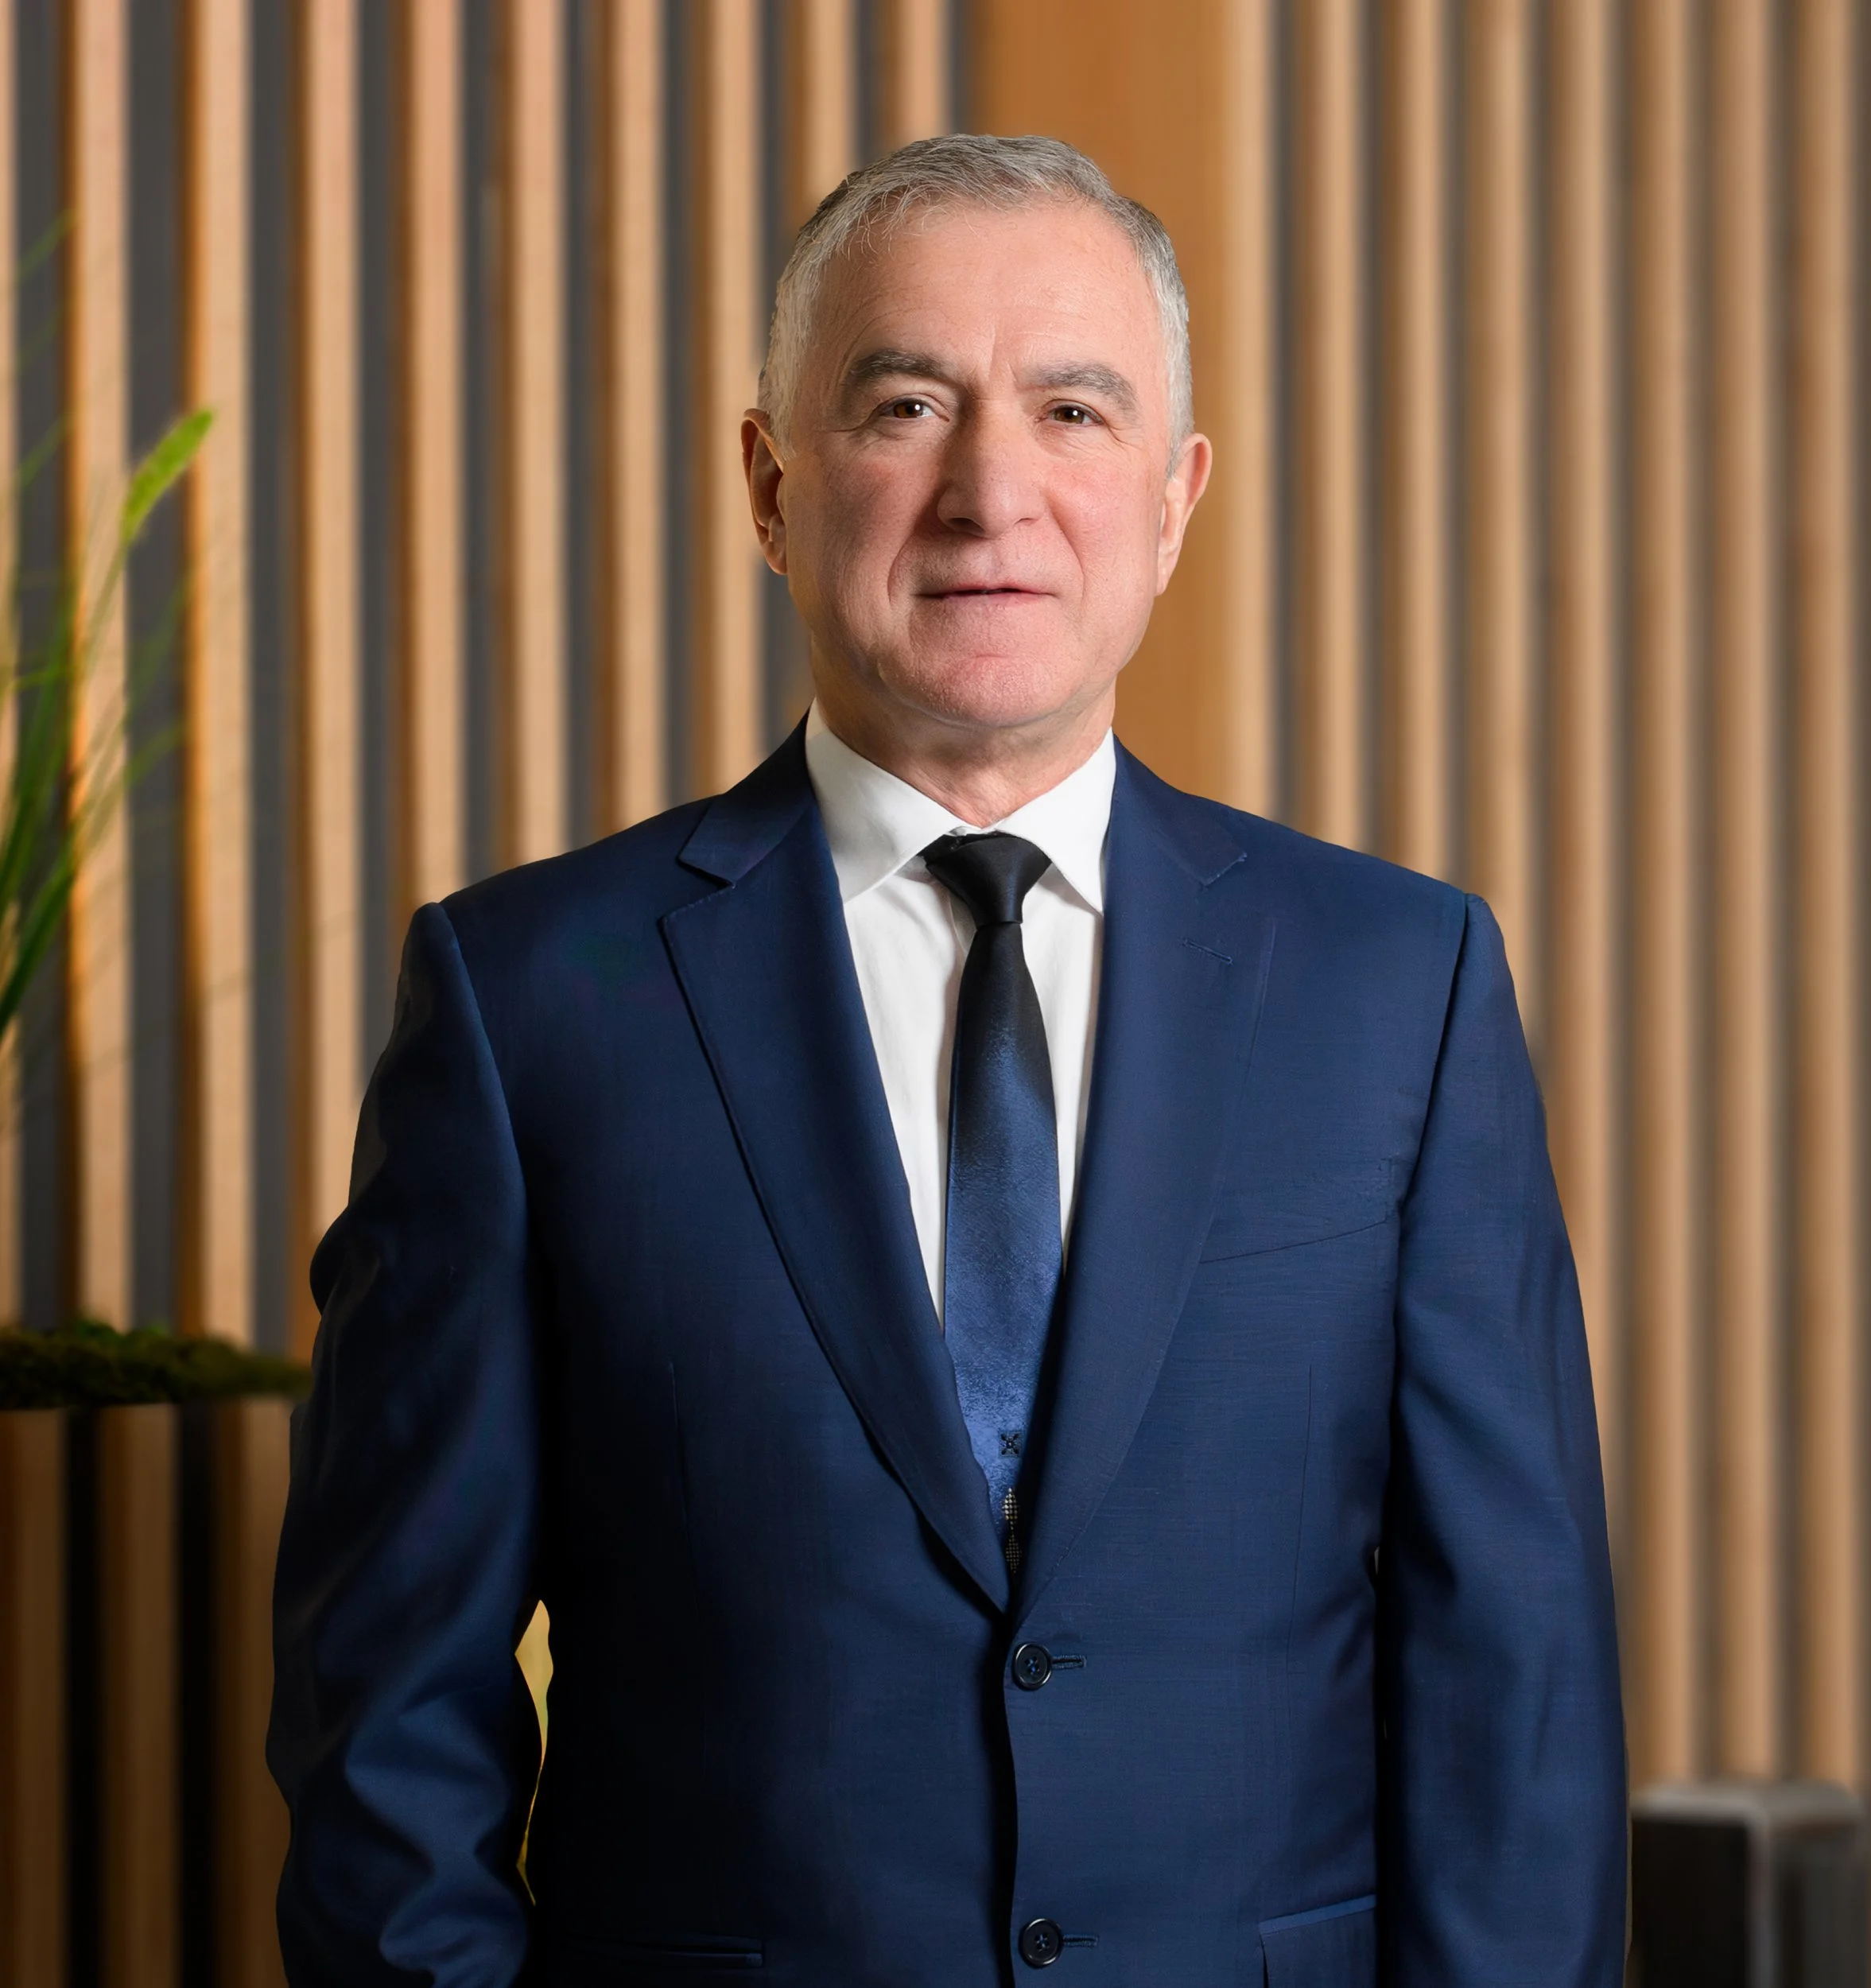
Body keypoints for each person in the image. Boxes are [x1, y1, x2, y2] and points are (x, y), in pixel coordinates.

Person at [269, 134, 1625, 1986]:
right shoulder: (530, 1002)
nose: (992, 492)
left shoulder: (1402, 983)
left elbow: (1515, 1691)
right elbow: (386, 1719)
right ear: (768, 480)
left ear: (1170, 499)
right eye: (905, 403)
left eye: (1074, 409)